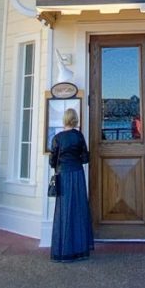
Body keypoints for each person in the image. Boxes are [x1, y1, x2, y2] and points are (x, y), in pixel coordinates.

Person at [49, 108, 93, 262]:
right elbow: (85, 157)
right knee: (79, 209)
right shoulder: (79, 136)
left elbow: (52, 161)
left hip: (64, 174)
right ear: (75, 119)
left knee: (64, 210)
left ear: (64, 120)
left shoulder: (57, 138)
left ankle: (64, 251)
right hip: (77, 174)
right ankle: (80, 250)